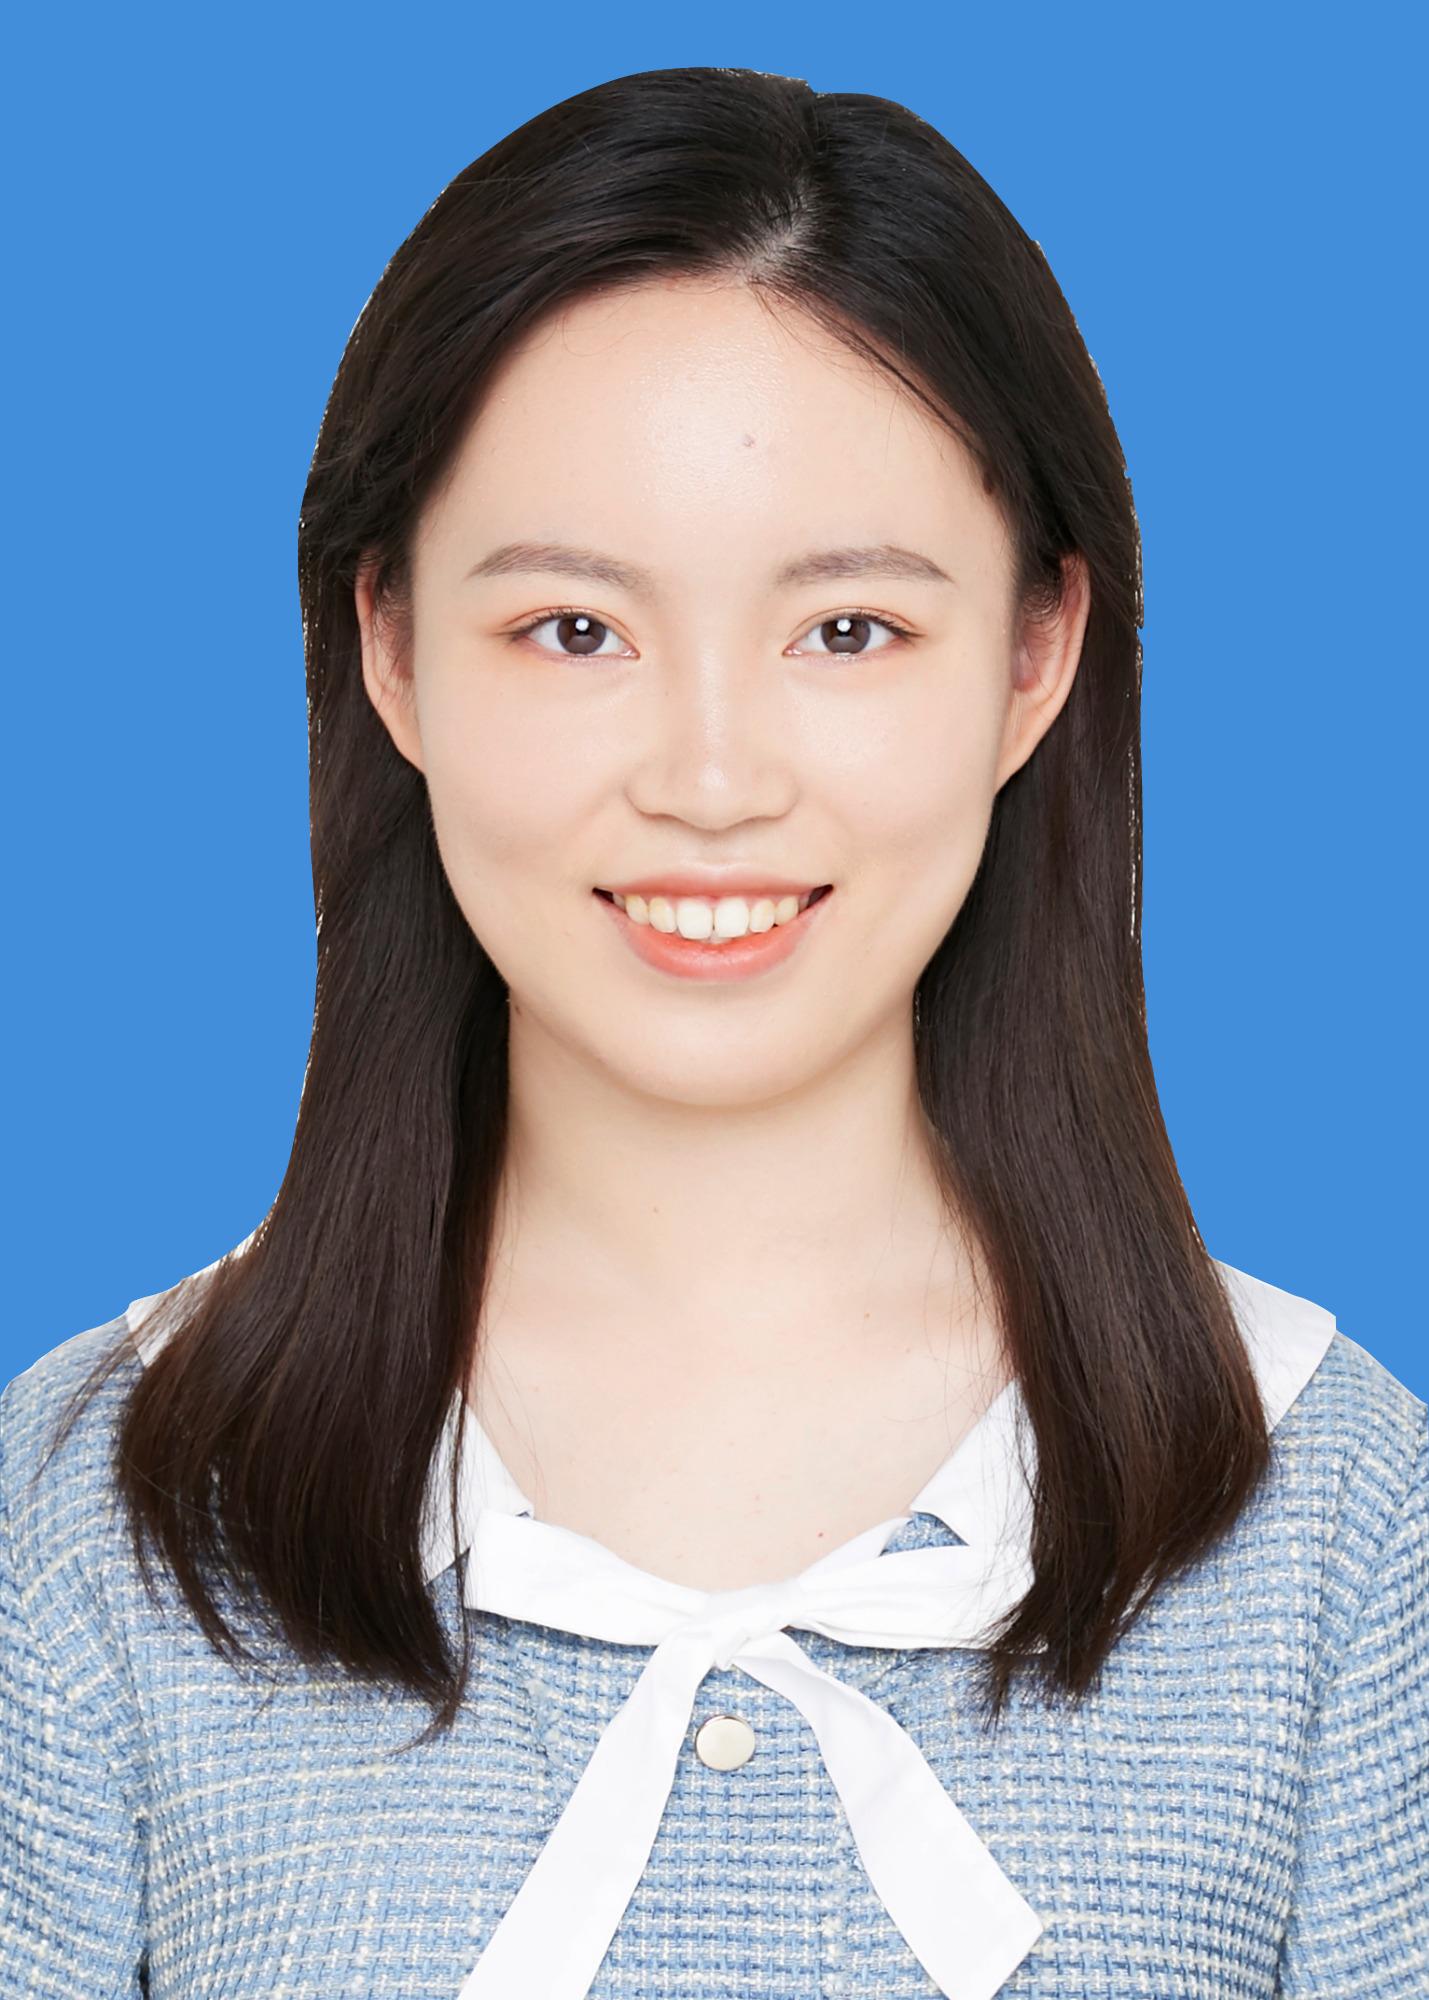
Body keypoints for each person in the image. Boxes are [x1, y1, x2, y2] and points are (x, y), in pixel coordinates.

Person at [2, 64, 1424, 2000]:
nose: (709, 778)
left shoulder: (1338, 1517)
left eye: (847, 631)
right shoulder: (90, 1513)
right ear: (391, 649)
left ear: (1033, 657)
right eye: (573, 630)